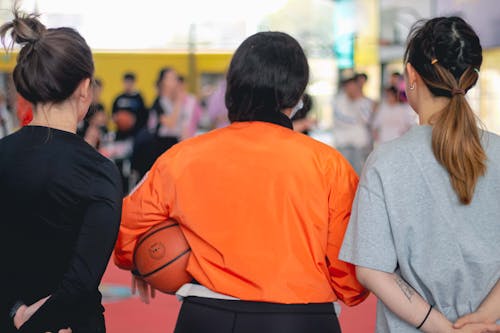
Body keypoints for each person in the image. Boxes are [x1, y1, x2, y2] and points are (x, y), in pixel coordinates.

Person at [114, 32, 368, 333]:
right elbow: (351, 279)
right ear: (297, 94)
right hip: (303, 318)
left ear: (232, 88)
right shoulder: (330, 165)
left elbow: (126, 228)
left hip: (209, 315)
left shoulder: (183, 157)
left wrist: (142, 258)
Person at [339, 17, 500, 333]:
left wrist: (441, 327)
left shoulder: (386, 161)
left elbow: (372, 270)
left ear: (411, 75)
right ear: (471, 79)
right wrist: (482, 318)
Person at [0, 10, 122, 333]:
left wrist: (15, 311)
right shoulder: (99, 172)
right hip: (72, 325)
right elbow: (80, 284)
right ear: (85, 88)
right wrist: (35, 322)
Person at [333, 69, 375, 174]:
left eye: (353, 85)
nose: (351, 88)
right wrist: (357, 120)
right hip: (343, 145)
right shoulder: (338, 100)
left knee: (360, 176)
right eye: (349, 85)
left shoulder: (364, 101)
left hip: (360, 146)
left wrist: (360, 101)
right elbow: (341, 120)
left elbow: (367, 120)